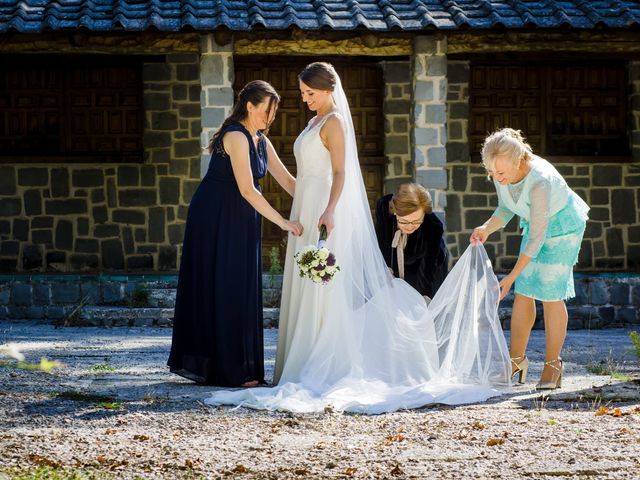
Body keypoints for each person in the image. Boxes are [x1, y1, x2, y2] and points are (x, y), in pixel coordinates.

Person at [205, 63, 510, 413]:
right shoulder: (312, 122)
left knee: (323, 285)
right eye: (303, 93)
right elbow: (298, 179)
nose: (304, 99)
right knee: (305, 283)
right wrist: (294, 212)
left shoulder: (334, 122)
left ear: (329, 89)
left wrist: (330, 209)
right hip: (305, 208)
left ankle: (319, 363)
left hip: (322, 209)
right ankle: (297, 363)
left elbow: (340, 172)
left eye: (310, 93)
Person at [167, 80, 303, 387]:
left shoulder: (261, 141)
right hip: (214, 218)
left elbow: (290, 182)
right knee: (224, 286)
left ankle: (241, 367)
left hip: (241, 218)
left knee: (240, 287)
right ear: (250, 106)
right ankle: (228, 370)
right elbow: (247, 188)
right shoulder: (235, 136)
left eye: (275, 111)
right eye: (268, 110)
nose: (271, 116)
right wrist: (282, 222)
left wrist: (323, 202)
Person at [470, 128, 589, 390]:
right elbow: (505, 208)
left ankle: (552, 365)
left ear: (519, 161)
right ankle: (515, 361)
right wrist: (486, 227)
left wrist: (510, 277)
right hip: (538, 225)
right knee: (524, 291)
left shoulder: (540, 181)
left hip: (563, 227)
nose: (496, 178)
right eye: (491, 173)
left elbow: (536, 238)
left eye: (500, 173)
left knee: (549, 292)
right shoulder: (503, 175)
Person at [375, 183, 449, 301]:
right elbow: (382, 241)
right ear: (395, 212)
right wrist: (386, 269)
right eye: (404, 221)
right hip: (398, 258)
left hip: (429, 263)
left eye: (416, 221)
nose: (410, 227)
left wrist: (424, 298)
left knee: (417, 301)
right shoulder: (384, 208)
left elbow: (427, 269)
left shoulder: (433, 228)